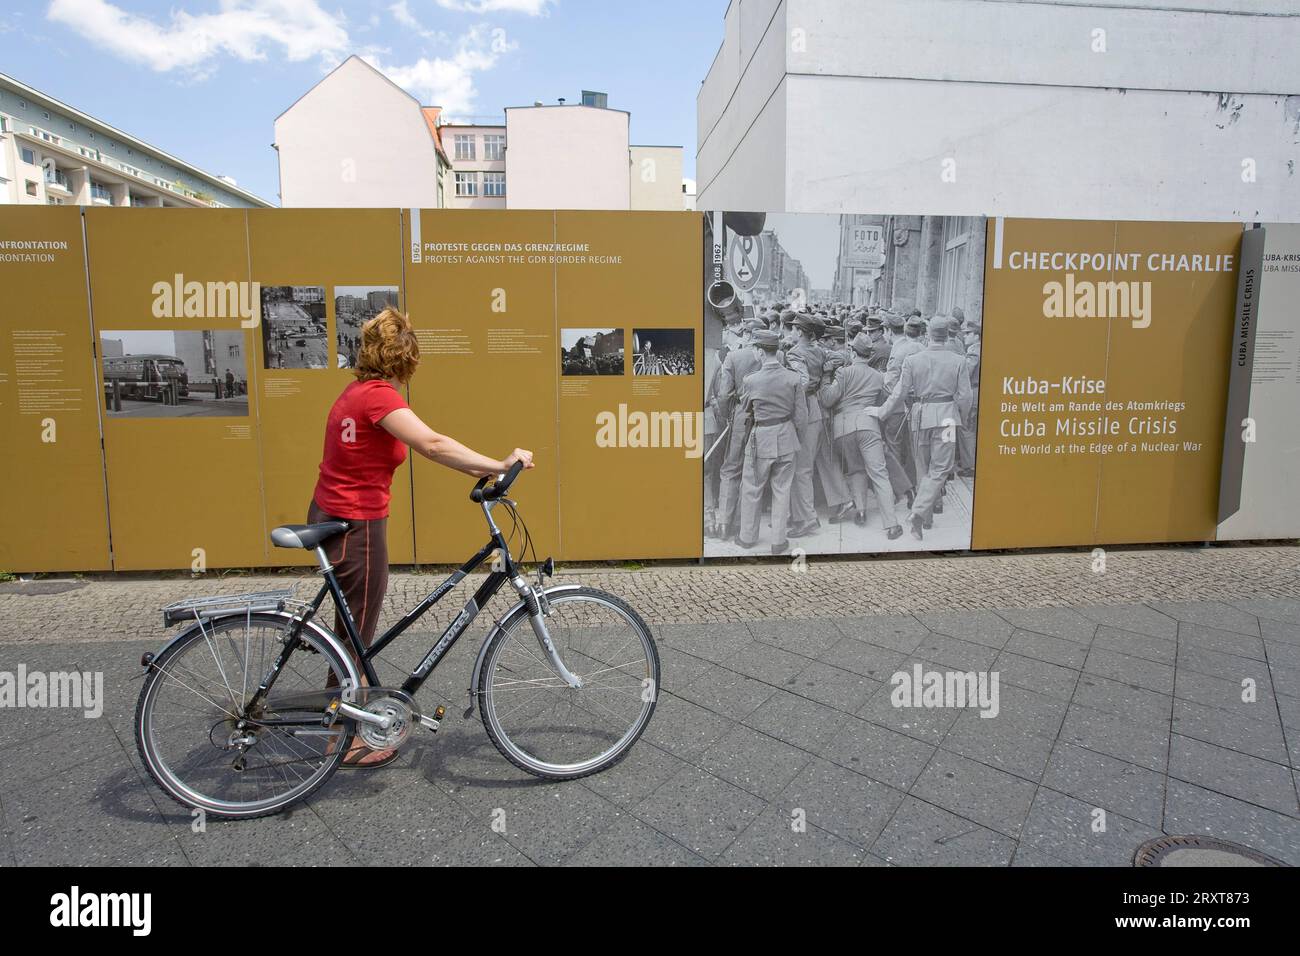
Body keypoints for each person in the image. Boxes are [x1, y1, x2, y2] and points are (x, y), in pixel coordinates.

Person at [309, 308, 533, 768]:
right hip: (358, 527)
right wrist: (500, 463)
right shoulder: (377, 398)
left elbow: (436, 449)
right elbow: (433, 445)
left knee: (350, 630)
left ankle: (340, 715)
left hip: (340, 517)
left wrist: (486, 467)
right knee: (356, 634)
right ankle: (342, 736)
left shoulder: (357, 392)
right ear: (404, 358)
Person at [877, 316, 972, 541]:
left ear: (928, 335)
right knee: (941, 468)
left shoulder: (913, 359)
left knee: (922, 467)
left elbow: (899, 393)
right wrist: (963, 418)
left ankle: (924, 519)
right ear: (948, 335)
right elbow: (965, 396)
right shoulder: (958, 360)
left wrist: (882, 412)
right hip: (947, 418)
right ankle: (920, 514)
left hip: (919, 417)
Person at [819, 333, 903, 539]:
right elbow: (887, 397)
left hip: (843, 428)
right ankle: (891, 525)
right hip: (868, 424)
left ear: (853, 352)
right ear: (869, 354)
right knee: (879, 474)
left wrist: (825, 378)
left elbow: (828, 399)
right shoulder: (878, 376)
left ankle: (861, 511)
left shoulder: (843, 373)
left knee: (856, 470)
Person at [738, 328, 806, 554]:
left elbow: (746, 408)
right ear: (776, 351)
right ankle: (778, 541)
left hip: (761, 438)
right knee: (782, 489)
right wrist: (796, 438)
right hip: (787, 436)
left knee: (752, 488)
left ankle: (747, 537)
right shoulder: (793, 378)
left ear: (759, 351)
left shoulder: (751, 380)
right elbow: (801, 417)